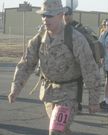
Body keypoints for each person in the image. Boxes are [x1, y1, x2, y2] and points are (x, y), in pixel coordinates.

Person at [8, 0, 100, 135]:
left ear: (60, 15)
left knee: (55, 131)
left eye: (49, 15)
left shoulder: (75, 38)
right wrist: (15, 88)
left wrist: (94, 100)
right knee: (61, 130)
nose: (45, 19)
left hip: (69, 94)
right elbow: (26, 64)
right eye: (43, 15)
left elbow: (89, 69)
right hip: (48, 93)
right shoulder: (38, 39)